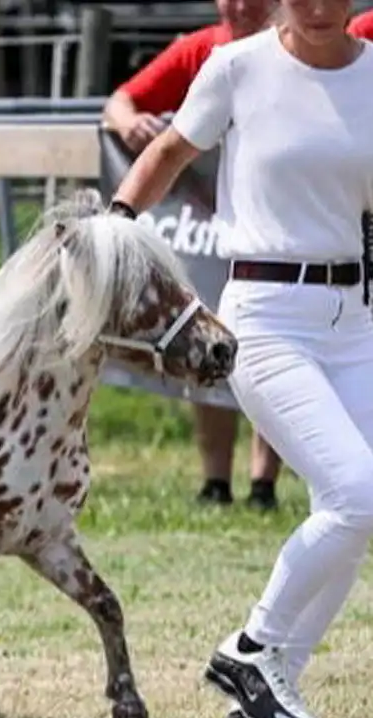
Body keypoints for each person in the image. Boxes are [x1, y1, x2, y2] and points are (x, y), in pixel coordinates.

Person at [109, 0, 373, 718]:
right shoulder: (236, 67)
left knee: (353, 506)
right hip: (265, 315)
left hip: (357, 315)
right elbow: (167, 154)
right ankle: (252, 650)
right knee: (358, 492)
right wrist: (115, 227)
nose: (318, 8)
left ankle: (270, 684)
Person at [102, 0, 284, 512]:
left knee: (271, 357)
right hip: (207, 233)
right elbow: (129, 110)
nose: (243, 5)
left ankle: (266, 483)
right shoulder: (205, 53)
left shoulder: (298, 50)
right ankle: (216, 480)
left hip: (280, 237)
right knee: (210, 345)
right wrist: (131, 124)